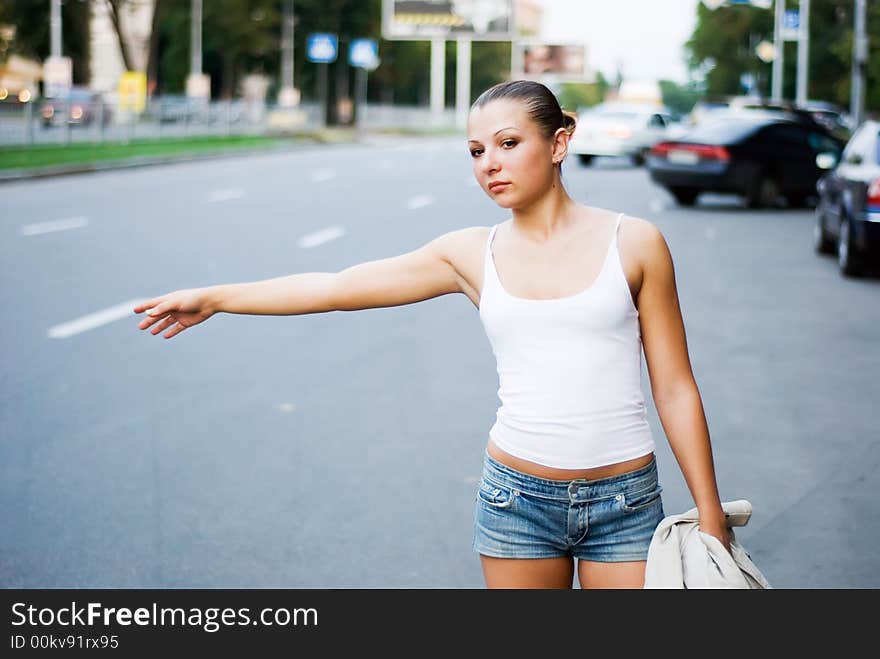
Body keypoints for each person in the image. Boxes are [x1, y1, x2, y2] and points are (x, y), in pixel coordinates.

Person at [133, 80, 732, 589]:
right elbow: (337, 287)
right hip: (516, 501)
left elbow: (675, 386)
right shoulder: (470, 254)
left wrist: (710, 512)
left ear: (558, 143)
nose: (489, 164)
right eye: (475, 151)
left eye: (507, 144)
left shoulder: (635, 242)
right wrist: (215, 298)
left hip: (624, 502)